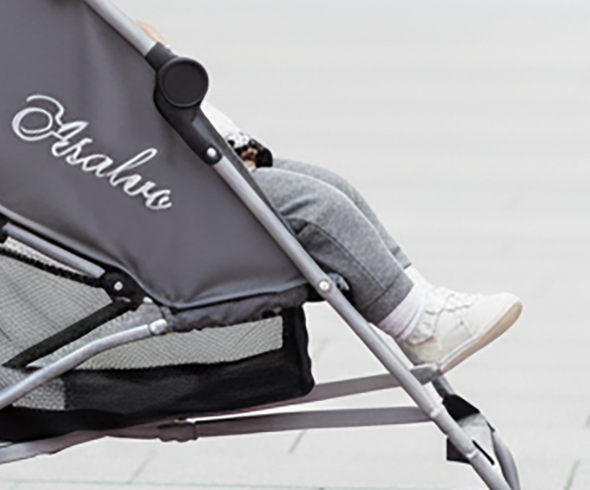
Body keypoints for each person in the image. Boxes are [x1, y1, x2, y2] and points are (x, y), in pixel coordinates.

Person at [206, 107, 521, 371]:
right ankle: (419, 327)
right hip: (186, 189)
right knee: (318, 208)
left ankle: (420, 302)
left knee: (332, 187)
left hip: (202, 163)